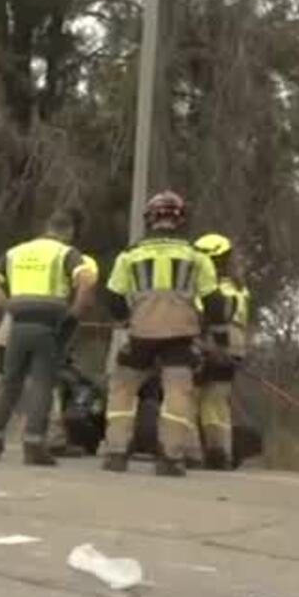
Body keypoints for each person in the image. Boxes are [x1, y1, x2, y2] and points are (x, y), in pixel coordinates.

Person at [100, 192, 223, 476]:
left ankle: (117, 452)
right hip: (181, 333)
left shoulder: (130, 255)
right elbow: (213, 300)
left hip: (141, 332)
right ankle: (171, 457)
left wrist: (125, 319)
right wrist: (211, 331)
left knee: (123, 388)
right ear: (180, 219)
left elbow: (113, 296)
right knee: (178, 392)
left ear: (150, 219)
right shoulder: (196, 256)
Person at [0, 208, 98, 465]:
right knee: (42, 384)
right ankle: (33, 444)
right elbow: (87, 281)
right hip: (50, 322)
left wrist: (9, 305)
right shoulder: (66, 253)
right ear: (69, 232)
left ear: (47, 227)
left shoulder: (16, 251)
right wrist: (75, 312)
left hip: (19, 321)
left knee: (10, 382)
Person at [192, 232, 250, 470]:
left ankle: (190, 451)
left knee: (188, 398)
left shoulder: (211, 290)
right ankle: (220, 453)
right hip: (234, 347)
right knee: (216, 402)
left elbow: (204, 317)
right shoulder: (239, 288)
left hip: (211, 344)